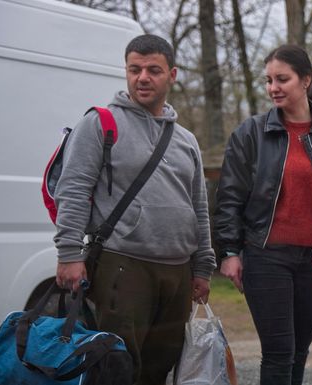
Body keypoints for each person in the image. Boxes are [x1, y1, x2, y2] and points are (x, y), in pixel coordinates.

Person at [53, 34, 216, 385]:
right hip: (123, 264)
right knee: (116, 367)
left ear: (172, 75)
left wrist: (203, 265)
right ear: (126, 72)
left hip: (178, 270)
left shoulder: (186, 140)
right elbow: (74, 188)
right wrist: (69, 253)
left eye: (153, 70)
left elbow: (198, 207)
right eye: (135, 69)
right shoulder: (100, 124)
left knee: (161, 367)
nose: (143, 77)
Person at [213, 44, 312, 385]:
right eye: (268, 80)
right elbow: (229, 197)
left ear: (306, 80)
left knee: (300, 352)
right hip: (265, 257)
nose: (273, 88)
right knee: (279, 352)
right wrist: (229, 252)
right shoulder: (250, 133)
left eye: (282, 79)